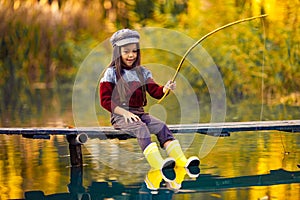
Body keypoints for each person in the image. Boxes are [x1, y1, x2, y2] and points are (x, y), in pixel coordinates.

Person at [99, 29, 200, 173]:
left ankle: (182, 161)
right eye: (126, 51)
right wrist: (125, 114)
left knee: (161, 126)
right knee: (141, 128)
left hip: (139, 114)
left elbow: (155, 92)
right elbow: (105, 100)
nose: (131, 55)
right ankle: (158, 163)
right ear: (118, 53)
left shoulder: (143, 72)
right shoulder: (111, 73)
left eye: (134, 51)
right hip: (120, 116)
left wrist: (165, 89)